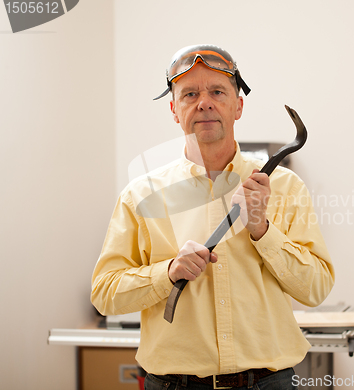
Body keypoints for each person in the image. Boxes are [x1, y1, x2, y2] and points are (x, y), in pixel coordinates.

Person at [91, 44, 334, 390]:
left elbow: (316, 288)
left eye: (217, 91)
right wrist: (168, 272)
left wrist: (262, 230)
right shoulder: (140, 196)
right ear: (175, 110)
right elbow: (105, 293)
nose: (204, 102)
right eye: (190, 93)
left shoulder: (284, 186)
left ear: (239, 106)